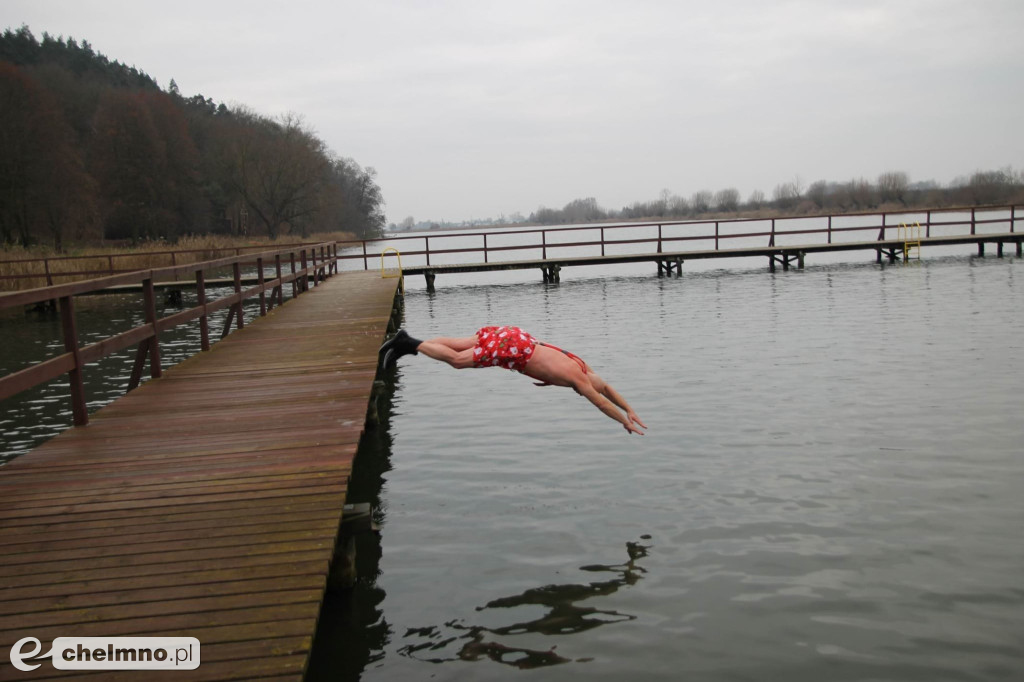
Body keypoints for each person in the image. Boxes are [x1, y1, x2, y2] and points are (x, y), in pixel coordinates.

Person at [379, 326, 647, 435]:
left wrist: (630, 408)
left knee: (462, 344)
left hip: (518, 336)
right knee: (458, 361)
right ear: (585, 386)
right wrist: (623, 420)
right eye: (583, 391)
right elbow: (601, 402)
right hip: (515, 351)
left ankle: (406, 344)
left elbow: (607, 387)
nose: (582, 392)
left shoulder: (580, 364)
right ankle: (409, 344)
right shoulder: (581, 381)